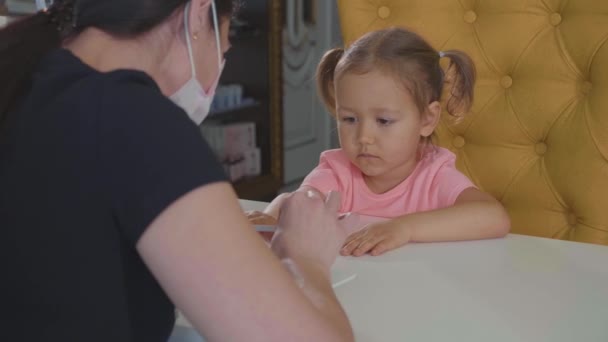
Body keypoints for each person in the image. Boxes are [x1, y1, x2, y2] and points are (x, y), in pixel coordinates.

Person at [0, 0, 354, 341]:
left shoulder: (25, 77)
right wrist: (304, 257)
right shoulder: (135, 122)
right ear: (200, 13)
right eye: (225, 51)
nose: (219, 69)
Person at [247, 27, 511, 257]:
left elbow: (493, 217)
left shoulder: (434, 175)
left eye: (383, 121)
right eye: (349, 119)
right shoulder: (338, 171)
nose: (363, 138)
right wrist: (272, 216)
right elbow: (299, 202)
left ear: (427, 119)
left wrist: (403, 228)